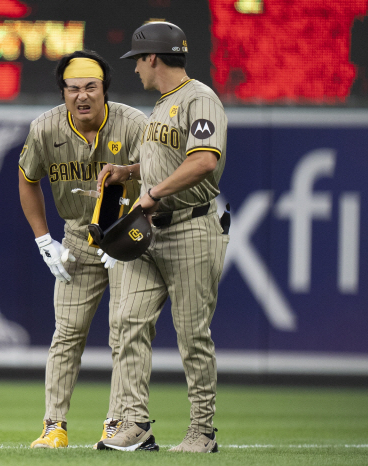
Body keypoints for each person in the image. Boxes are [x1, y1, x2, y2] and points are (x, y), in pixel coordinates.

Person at [95, 22, 229, 453]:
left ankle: (202, 432)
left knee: (192, 336)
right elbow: (165, 162)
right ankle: (133, 423)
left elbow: (204, 161)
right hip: (148, 231)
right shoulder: (162, 105)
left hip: (191, 227)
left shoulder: (198, 98)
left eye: (137, 61)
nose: (135, 70)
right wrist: (129, 173)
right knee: (126, 322)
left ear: (152, 58)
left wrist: (149, 193)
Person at [18, 50, 147, 448]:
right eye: (73, 89)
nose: (82, 96)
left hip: (126, 237)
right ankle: (53, 426)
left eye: (91, 87)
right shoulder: (45, 128)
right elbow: (27, 178)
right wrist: (43, 239)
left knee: (124, 332)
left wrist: (129, 230)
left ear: (105, 89)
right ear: (63, 92)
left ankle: (118, 422)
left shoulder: (134, 123)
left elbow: (161, 170)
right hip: (77, 237)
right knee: (67, 333)